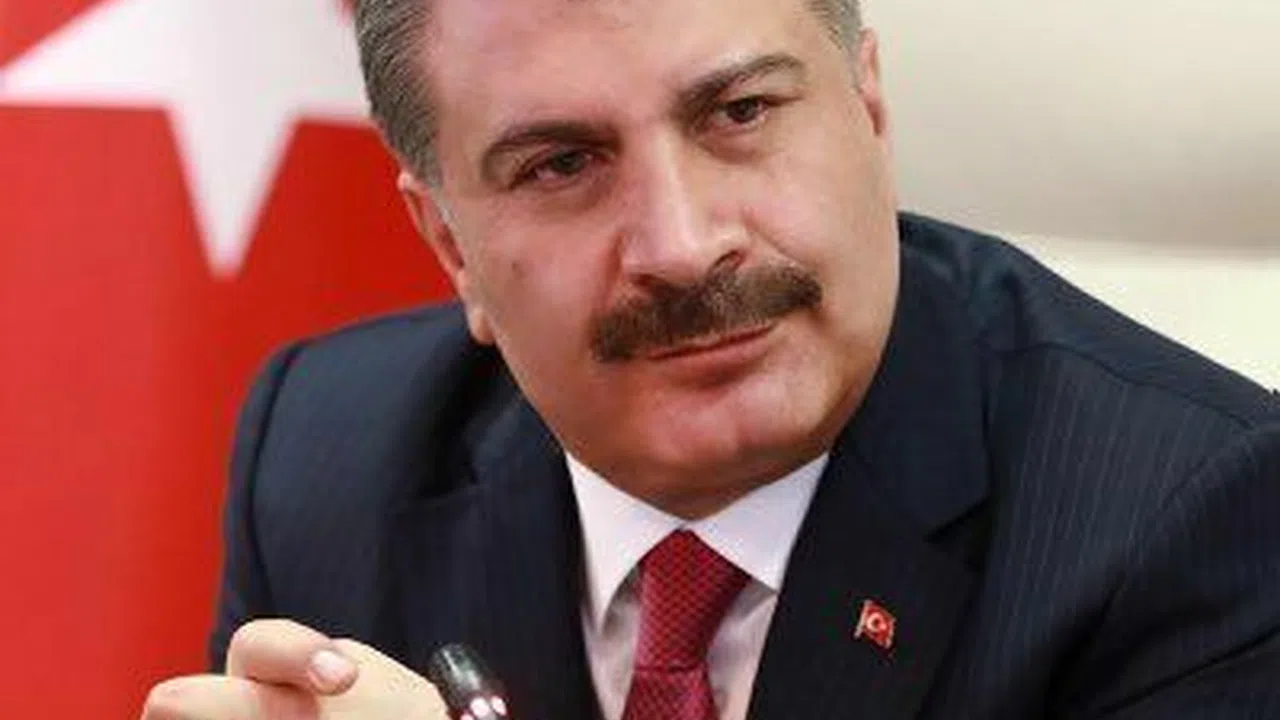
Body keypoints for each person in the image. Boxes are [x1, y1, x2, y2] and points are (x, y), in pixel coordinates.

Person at [141, 0, 1280, 717]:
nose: (682, 247)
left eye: (738, 112)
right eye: (560, 165)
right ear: (450, 246)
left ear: (869, 112)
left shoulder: (1188, 515)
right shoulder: (324, 458)